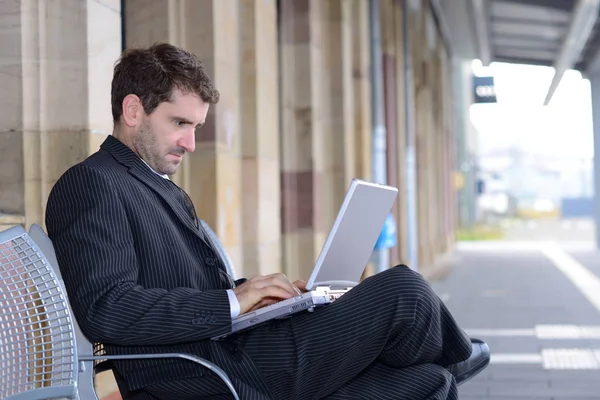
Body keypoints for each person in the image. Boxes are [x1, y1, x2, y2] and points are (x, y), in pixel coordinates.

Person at [45, 42, 489, 400]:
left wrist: (261, 300)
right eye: (180, 122)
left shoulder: (155, 184)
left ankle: (445, 366)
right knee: (404, 291)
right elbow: (109, 308)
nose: (191, 142)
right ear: (133, 110)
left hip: (236, 351)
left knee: (428, 385)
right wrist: (236, 302)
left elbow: (188, 290)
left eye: (197, 126)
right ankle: (458, 354)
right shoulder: (92, 185)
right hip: (207, 373)